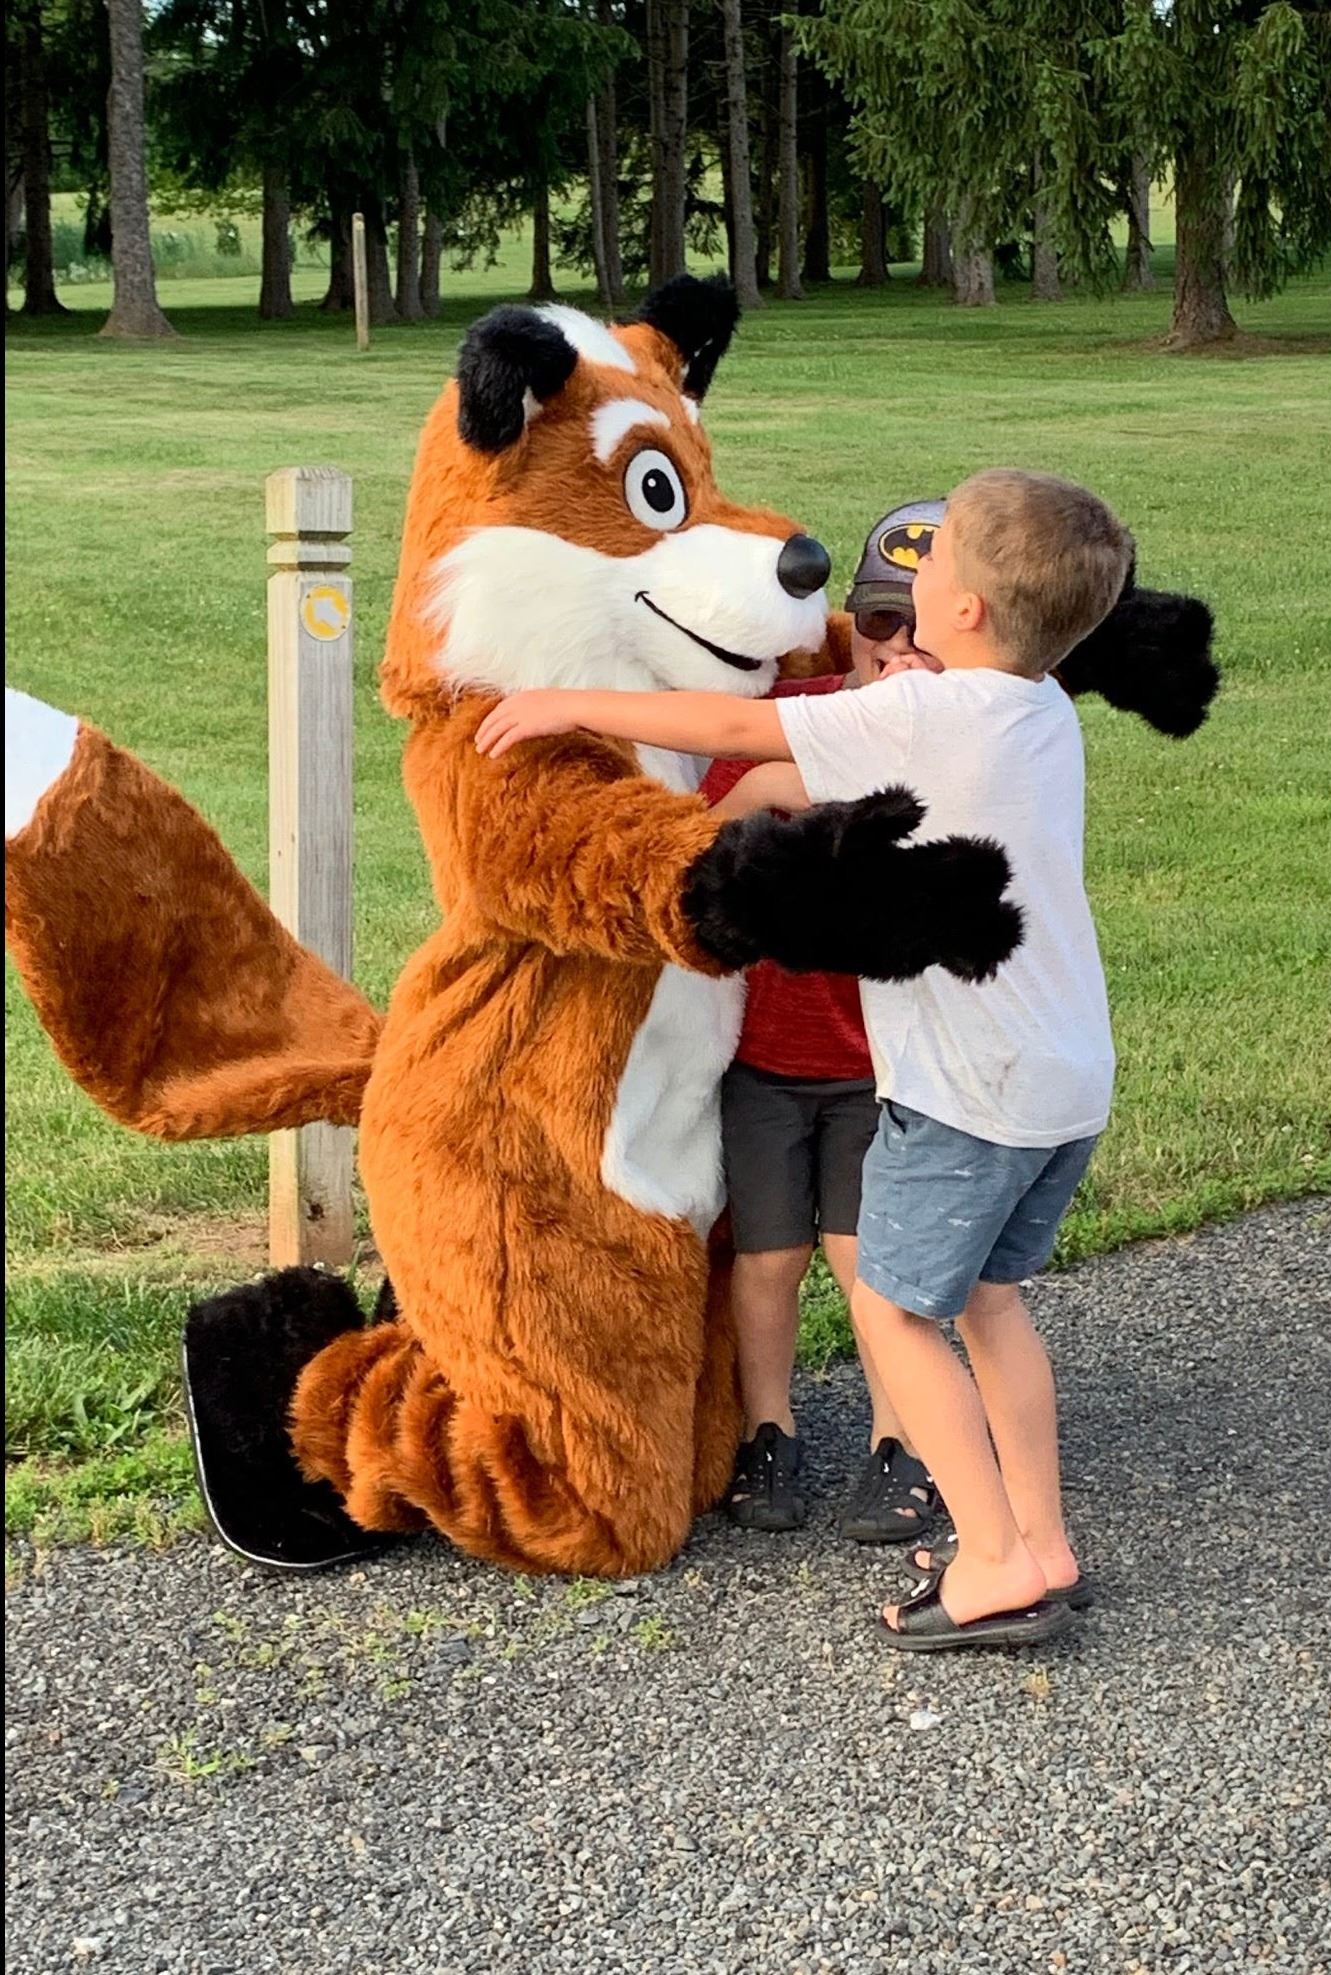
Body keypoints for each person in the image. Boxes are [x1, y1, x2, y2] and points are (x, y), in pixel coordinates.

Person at [476, 467, 1134, 1652]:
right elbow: (814, 773)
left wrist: (560, 702)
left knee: (890, 1311)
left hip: (969, 1094)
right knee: (990, 1301)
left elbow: (739, 730)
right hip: (1064, 1079)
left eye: (929, 568)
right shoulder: (1038, 712)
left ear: (969, 609)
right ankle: (1041, 1535)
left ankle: (990, 1562)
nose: (910, 585)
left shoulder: (922, 714)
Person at [702, 502, 946, 1540]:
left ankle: (905, 1439)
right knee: (767, 1258)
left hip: (878, 1067)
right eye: (881, 625)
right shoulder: (793, 707)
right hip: (761, 1057)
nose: (899, 654)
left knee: (865, 1261)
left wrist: (785, 788)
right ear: (851, 622)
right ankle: (771, 1431)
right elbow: (702, 826)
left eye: (926, 634)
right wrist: (765, 789)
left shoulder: (964, 742)